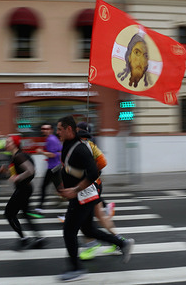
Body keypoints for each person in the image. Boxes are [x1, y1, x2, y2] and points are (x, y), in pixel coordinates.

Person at [55, 116, 134, 282]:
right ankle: (122, 244)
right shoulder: (69, 145)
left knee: (69, 232)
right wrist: (64, 184)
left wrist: (75, 189)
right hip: (82, 195)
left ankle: (76, 269)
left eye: (60, 129)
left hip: (82, 196)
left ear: (69, 129)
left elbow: (93, 173)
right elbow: (69, 168)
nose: (57, 133)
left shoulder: (80, 148)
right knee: (89, 230)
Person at [75, 122, 121, 261]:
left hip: (90, 186)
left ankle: (91, 244)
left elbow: (102, 163)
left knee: (84, 219)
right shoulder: (87, 143)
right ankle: (118, 241)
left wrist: (90, 174)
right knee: (100, 216)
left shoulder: (87, 145)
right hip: (93, 185)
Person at [0, 135, 46, 250]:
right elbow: (13, 175)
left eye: (8, 142)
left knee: (9, 213)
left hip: (23, 189)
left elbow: (30, 170)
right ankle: (38, 238)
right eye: (6, 142)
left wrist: (18, 178)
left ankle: (23, 238)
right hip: (24, 188)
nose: (6, 144)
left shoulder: (18, 156)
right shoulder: (14, 156)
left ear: (15, 143)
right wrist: (6, 172)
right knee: (24, 213)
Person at [34, 124, 62, 214]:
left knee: (44, 187)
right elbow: (58, 152)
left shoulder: (51, 139)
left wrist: (41, 152)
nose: (44, 130)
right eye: (43, 129)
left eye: (46, 129)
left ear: (51, 130)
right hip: (55, 166)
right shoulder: (52, 138)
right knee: (59, 189)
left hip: (53, 168)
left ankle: (40, 207)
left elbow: (53, 154)